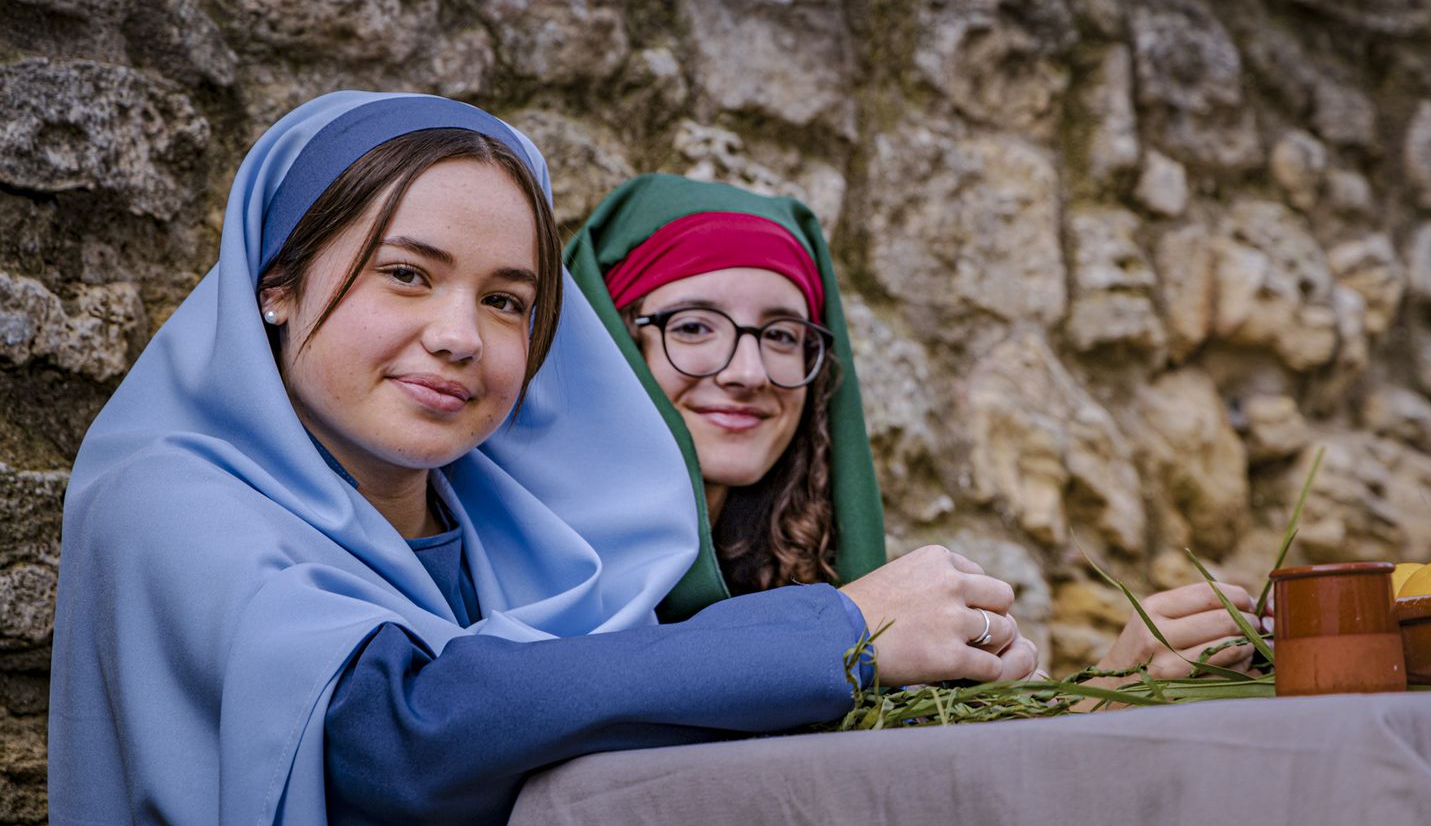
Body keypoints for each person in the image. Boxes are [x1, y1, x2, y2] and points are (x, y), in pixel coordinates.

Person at [48, 92, 1036, 825]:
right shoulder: (171, 498)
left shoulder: (512, 532)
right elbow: (401, 736)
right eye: (406, 274)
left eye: (507, 300)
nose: (458, 335)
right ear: (276, 283)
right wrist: (846, 629)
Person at [568, 174, 1263, 686]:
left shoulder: (809, 572)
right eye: (693, 326)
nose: (750, 370)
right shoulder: (545, 577)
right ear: (610, 343)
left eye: (782, 335)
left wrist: (1118, 681)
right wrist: (841, 630)